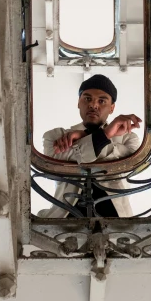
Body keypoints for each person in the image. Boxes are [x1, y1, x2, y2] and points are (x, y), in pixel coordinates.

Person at [38, 74, 142, 218]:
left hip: (117, 223)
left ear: (112, 108)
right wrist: (103, 135)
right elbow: (52, 159)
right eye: (87, 99)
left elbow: (131, 165)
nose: (93, 105)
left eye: (102, 101)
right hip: (63, 221)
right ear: (78, 103)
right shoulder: (55, 137)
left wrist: (85, 137)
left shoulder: (129, 138)